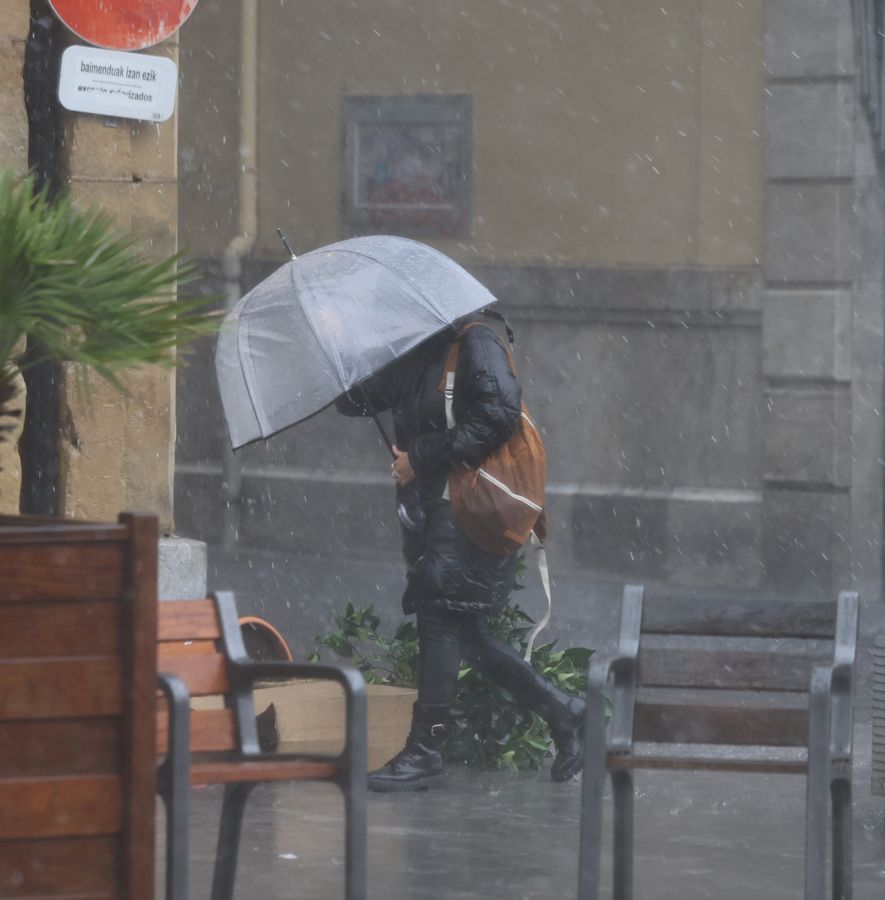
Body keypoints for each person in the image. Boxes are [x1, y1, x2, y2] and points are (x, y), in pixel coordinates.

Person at [336, 316, 585, 792]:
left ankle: (426, 749)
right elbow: (358, 401)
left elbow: (498, 416)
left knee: (440, 621)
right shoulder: (415, 354)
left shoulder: (476, 344)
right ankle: (566, 712)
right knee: (464, 633)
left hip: (473, 510)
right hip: (439, 512)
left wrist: (422, 454)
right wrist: (343, 348)